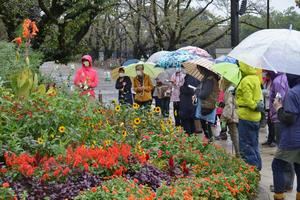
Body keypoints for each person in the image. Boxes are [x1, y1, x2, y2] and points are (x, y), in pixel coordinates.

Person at [272, 73, 300, 200]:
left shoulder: (293, 93)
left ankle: (279, 196)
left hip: (292, 138)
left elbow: (289, 118)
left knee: (277, 165)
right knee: (299, 166)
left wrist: (278, 108)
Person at [235, 62, 263, 170]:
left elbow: (248, 100)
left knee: (246, 145)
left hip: (246, 116)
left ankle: (252, 169)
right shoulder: (256, 78)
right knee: (254, 144)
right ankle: (258, 165)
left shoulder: (246, 80)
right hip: (255, 117)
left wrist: (238, 94)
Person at [195, 67, 219, 141]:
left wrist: (197, 91)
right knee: (206, 126)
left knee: (206, 126)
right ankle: (209, 143)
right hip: (207, 105)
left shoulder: (209, 80)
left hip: (207, 105)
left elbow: (204, 94)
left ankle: (210, 145)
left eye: (199, 69)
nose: (199, 71)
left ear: (204, 69)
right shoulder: (208, 78)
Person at [219, 79, 240, 157]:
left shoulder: (229, 89)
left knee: (235, 136)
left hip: (232, 116)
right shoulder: (236, 85)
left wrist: (224, 117)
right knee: (238, 135)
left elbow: (229, 104)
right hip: (239, 114)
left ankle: (238, 154)